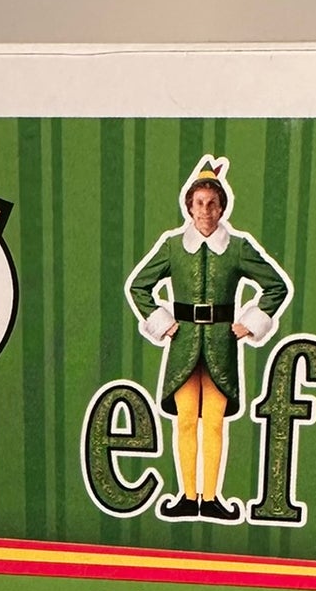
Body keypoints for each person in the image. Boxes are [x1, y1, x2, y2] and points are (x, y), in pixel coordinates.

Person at [125, 155, 292, 521]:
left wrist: (249, 322)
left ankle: (212, 496)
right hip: (183, 341)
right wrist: (162, 321)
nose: (205, 210)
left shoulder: (237, 247)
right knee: (186, 419)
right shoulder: (173, 246)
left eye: (211, 203)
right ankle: (188, 495)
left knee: (214, 421)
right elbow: (139, 286)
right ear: (189, 207)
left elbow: (275, 286)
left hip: (221, 343)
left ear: (221, 207)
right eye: (199, 203)